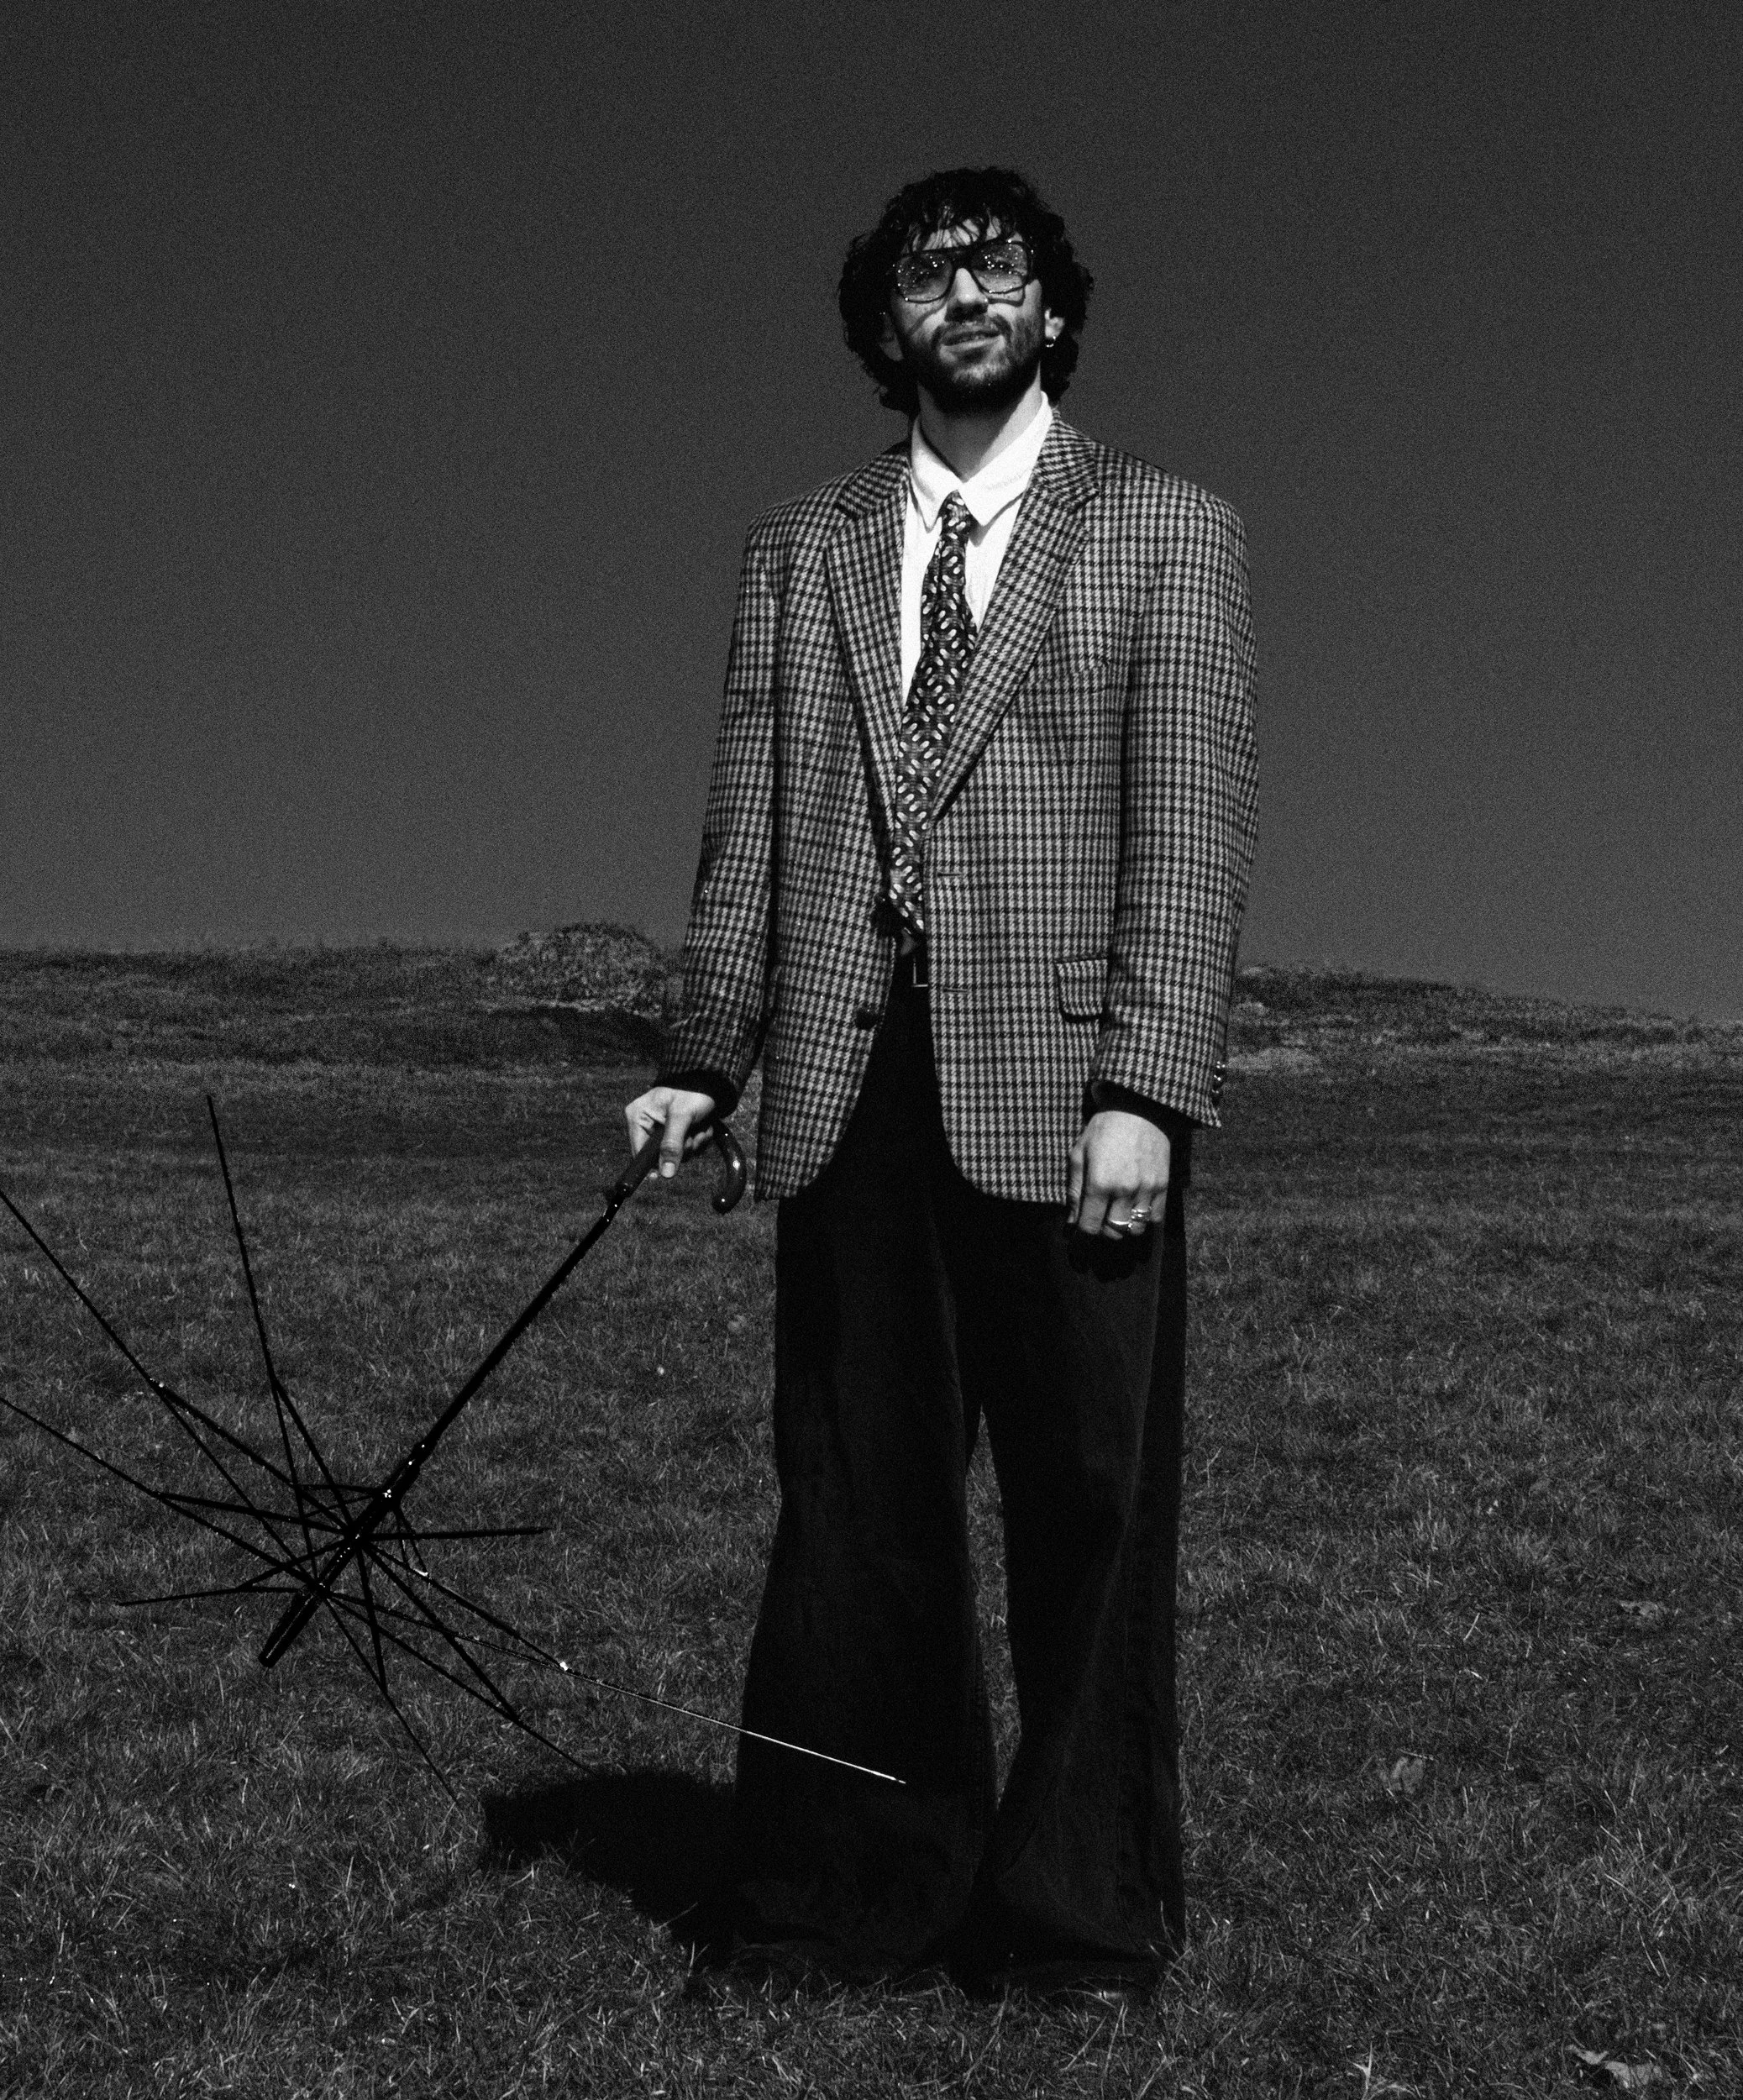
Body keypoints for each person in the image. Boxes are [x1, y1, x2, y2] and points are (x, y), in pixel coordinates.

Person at [625, 166, 1258, 1995]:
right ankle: (842, 1894)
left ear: (1051, 309)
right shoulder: (802, 544)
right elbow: (745, 828)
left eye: (999, 267)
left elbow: (1188, 833)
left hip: (1068, 1086)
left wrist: (1146, 1085)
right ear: (879, 322)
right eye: (926, 270)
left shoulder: (1166, 529)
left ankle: (1071, 1918)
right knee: (850, 1505)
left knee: (1087, 1502)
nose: (964, 291)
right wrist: (698, 1049)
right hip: (840, 1082)